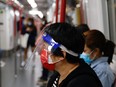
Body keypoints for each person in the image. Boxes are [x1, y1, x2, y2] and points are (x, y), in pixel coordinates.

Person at [35, 23, 102, 87]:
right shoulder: (59, 74)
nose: (42, 51)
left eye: (46, 48)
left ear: (62, 55)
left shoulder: (83, 82)